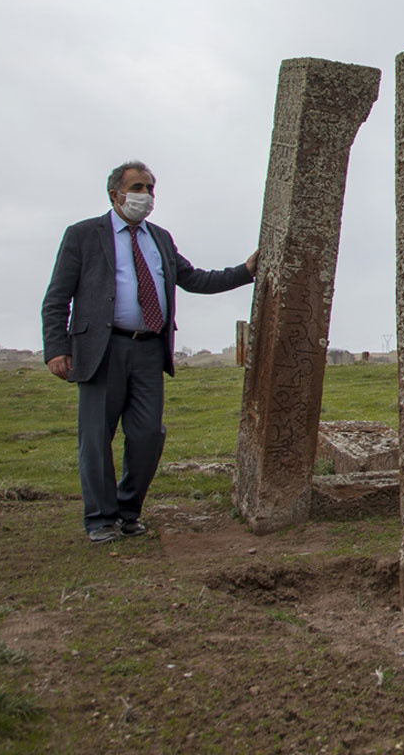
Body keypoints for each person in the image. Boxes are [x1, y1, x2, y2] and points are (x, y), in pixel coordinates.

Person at [42, 160, 258, 543]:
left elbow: (193, 279)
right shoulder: (83, 235)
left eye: (151, 188)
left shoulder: (159, 238)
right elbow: (58, 297)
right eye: (139, 187)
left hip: (149, 349)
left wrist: (245, 270)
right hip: (102, 349)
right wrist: (56, 348)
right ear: (116, 194)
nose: (146, 196)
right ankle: (100, 519)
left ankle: (127, 511)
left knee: (147, 435)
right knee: (96, 438)